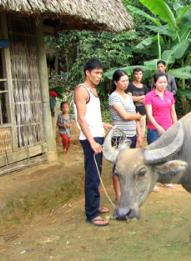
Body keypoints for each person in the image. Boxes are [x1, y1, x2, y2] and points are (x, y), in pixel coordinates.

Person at [74, 58, 112, 227]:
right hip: (91, 139)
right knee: (92, 175)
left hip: (98, 135)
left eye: (100, 73)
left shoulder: (93, 90)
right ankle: (91, 214)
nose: (99, 76)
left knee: (96, 174)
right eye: (96, 73)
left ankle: (94, 206)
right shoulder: (81, 90)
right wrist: (91, 141)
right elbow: (81, 119)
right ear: (87, 72)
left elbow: (90, 116)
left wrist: (102, 124)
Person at [109, 69, 142, 203]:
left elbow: (134, 119)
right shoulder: (113, 96)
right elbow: (125, 116)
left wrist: (139, 135)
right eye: (122, 81)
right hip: (119, 135)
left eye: (127, 80)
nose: (125, 83)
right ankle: (118, 195)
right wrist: (138, 116)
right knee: (118, 167)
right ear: (116, 82)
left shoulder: (128, 97)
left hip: (132, 135)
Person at [145, 72, 177, 190]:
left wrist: (175, 126)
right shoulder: (149, 96)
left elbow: (173, 112)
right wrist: (158, 127)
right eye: (160, 82)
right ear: (155, 83)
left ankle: (165, 180)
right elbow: (149, 114)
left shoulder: (169, 95)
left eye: (165, 82)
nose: (163, 84)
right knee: (153, 156)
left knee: (167, 155)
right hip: (154, 130)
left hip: (168, 129)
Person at [126, 68, 149, 140]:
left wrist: (135, 98)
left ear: (142, 75)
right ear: (133, 75)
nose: (138, 76)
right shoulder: (129, 85)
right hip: (132, 114)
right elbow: (129, 99)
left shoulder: (145, 87)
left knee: (141, 135)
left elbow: (146, 100)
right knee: (133, 135)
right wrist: (142, 97)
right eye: (136, 74)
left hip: (143, 114)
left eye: (140, 74)